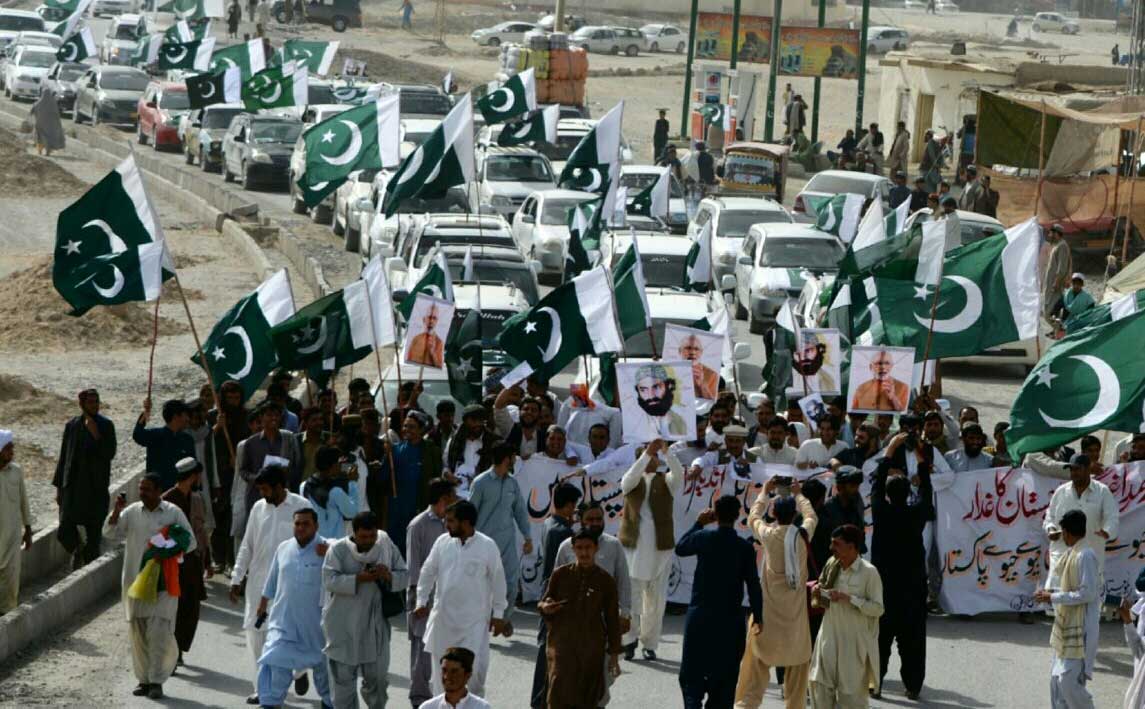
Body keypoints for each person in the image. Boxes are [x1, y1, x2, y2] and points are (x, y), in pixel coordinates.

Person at [104, 474, 195, 700]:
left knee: (159, 631)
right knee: (139, 632)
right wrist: (116, 510)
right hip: (136, 583)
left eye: (147, 489)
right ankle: (144, 680)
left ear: (158, 491)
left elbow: (190, 541)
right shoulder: (132, 511)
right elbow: (109, 534)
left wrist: (168, 548)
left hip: (163, 584)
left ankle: (156, 681)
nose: (142, 493)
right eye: (140, 489)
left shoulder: (173, 512)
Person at [230, 465, 312, 704]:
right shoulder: (258, 508)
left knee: (285, 637)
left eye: (266, 489)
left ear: (279, 487)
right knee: (256, 636)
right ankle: (262, 689)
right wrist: (237, 577)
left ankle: (298, 671)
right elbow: (247, 545)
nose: (262, 494)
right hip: (258, 584)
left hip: (290, 586)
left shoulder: (301, 506)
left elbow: (312, 542)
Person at [673, 496, 762, 708]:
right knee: (725, 679)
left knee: (692, 676)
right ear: (738, 514)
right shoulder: (744, 548)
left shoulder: (703, 537)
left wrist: (699, 523)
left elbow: (681, 548)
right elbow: (753, 584)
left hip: (700, 618)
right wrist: (759, 616)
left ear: (715, 513)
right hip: (730, 622)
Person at [414, 500, 509, 697]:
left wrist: (498, 614)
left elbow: (498, 582)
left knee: (473, 678)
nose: (446, 525)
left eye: (450, 521)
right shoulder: (442, 542)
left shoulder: (487, 546)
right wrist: (421, 601)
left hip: (473, 625)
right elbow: (427, 572)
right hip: (443, 623)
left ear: (466, 523)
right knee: (442, 680)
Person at [736, 485, 817, 709]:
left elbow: (753, 516)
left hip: (767, 619)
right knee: (798, 683)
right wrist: (800, 493)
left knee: (754, 676)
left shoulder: (768, 535)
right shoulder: (802, 535)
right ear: (794, 515)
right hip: (795, 622)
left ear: (774, 514)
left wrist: (764, 492)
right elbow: (811, 515)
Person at [322, 510, 408, 709]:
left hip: (374, 625)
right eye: (363, 536)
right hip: (342, 625)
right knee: (343, 685)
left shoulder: (385, 546)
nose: (368, 541)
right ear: (354, 533)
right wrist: (359, 579)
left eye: (372, 536)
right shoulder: (338, 550)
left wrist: (388, 576)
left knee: (378, 680)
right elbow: (329, 580)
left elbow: (404, 575)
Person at [871, 443, 934, 701]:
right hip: (912, 587)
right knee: (913, 641)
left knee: (879, 639)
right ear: (909, 493)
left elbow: (876, 484)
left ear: (887, 494)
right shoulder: (916, 514)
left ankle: (875, 682)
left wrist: (891, 449)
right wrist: (920, 459)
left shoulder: (880, 512)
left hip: (883, 586)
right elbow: (927, 492)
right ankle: (913, 686)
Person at [256, 508, 333, 708]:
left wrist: (330, 553)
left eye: (305, 524)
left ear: (316, 526)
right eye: (297, 523)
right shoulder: (283, 548)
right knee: (275, 662)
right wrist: (263, 603)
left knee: (325, 671)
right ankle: (270, 703)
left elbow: (350, 551)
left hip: (315, 625)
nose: (300, 528)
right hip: (284, 622)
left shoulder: (328, 548)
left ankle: (329, 703)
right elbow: (272, 580)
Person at [540, 528, 623, 708]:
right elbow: (544, 601)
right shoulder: (560, 575)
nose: (584, 552)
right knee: (558, 689)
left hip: (591, 649)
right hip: (561, 645)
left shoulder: (606, 580)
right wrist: (546, 607)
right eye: (579, 548)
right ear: (573, 549)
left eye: (588, 548)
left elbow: (612, 619)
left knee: (587, 696)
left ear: (596, 548)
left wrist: (614, 655)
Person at [619, 439, 683, 661]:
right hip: (633, 549)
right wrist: (646, 453)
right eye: (648, 456)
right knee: (632, 598)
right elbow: (628, 480)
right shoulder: (631, 480)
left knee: (655, 601)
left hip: (660, 550)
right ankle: (628, 640)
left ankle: (650, 643)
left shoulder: (666, 481)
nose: (652, 459)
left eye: (655, 457)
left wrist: (667, 452)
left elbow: (679, 475)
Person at [808, 524, 884, 708]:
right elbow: (820, 603)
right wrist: (818, 592)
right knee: (820, 690)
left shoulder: (869, 572)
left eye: (836, 544)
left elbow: (878, 609)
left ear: (852, 547)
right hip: (828, 638)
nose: (831, 548)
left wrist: (850, 599)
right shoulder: (831, 565)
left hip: (853, 644)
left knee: (851, 698)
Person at [1033, 509, 1100, 709]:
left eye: (1063, 532)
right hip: (1065, 629)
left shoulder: (1085, 555)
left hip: (1080, 631)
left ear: (1068, 532)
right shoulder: (1073, 552)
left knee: (1068, 683)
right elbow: (1069, 588)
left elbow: (1086, 593)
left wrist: (1053, 596)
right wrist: (1051, 592)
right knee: (1056, 683)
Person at [529, 483, 582, 707]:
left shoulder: (549, 523)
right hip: (556, 595)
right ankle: (541, 699)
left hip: (546, 590)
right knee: (549, 649)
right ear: (569, 505)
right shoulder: (564, 533)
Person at [470, 443, 532, 631]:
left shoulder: (512, 483)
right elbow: (470, 513)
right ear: (506, 459)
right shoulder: (480, 483)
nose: (514, 460)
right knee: (482, 587)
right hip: (483, 545)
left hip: (507, 544)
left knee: (511, 584)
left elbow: (520, 511)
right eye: (513, 457)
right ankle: (483, 623)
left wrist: (528, 536)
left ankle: (503, 619)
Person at [407, 478, 458, 707]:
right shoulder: (418, 525)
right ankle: (418, 697)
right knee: (421, 648)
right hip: (423, 597)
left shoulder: (452, 525)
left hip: (446, 596)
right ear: (442, 499)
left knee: (442, 647)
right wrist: (421, 599)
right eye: (450, 498)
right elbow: (414, 566)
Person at [53, 388, 116, 569]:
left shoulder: (106, 426)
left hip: (95, 490)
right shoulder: (72, 426)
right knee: (64, 531)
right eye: (90, 402)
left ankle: (88, 571)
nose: (95, 405)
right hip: (73, 489)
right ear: (81, 404)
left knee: (94, 537)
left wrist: (96, 434)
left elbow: (109, 453)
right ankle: (77, 549)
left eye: (96, 402)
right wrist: (59, 488)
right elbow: (64, 457)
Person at [1044, 453, 1118, 592]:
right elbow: (1050, 516)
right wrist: (1050, 529)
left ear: (1088, 469)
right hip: (1062, 554)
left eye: (1077, 469)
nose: (1074, 473)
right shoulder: (1061, 492)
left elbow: (1112, 517)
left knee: (1086, 600)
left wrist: (1106, 531)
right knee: (1059, 601)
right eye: (1071, 469)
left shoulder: (1102, 492)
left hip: (1090, 552)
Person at [162, 458, 209, 665]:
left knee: (191, 607)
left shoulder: (197, 499)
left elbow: (201, 530)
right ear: (191, 476)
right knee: (175, 607)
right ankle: (173, 649)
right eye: (197, 475)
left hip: (193, 562)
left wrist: (207, 559)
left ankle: (180, 646)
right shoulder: (167, 501)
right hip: (173, 563)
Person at [377, 411, 442, 556]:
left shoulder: (431, 451)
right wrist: (386, 457)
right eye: (405, 426)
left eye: (412, 427)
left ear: (421, 429)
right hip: (397, 510)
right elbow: (382, 478)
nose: (407, 430)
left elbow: (437, 478)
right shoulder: (394, 450)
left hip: (420, 507)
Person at [0, 431, 32, 615]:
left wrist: (28, 529)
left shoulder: (16, 471)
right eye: (7, 448)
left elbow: (24, 501)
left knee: (11, 580)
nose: (12, 451)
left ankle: (8, 617)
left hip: (12, 536)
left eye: (12, 447)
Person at [133, 399, 195, 491]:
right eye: (185, 415)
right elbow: (137, 435)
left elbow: (192, 468)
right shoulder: (155, 436)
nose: (188, 419)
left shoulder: (187, 440)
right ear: (176, 416)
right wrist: (145, 412)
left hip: (180, 492)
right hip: (157, 494)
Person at [300, 445, 358, 540]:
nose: (341, 465)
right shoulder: (335, 492)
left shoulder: (303, 486)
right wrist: (352, 483)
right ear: (333, 465)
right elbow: (352, 513)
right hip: (332, 545)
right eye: (339, 462)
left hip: (312, 541)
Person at [628, 363, 691, 440]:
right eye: (643, 389)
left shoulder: (680, 420)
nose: (651, 395)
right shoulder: (632, 423)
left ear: (668, 386)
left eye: (656, 387)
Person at [420, 647, 490, 709]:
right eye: (444, 670)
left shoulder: (482, 707)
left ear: (467, 675)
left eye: (454, 672)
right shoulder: (427, 707)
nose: (446, 676)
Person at [1043, 224, 1073, 327]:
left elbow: (1062, 267)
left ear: (1056, 233)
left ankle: (1060, 331)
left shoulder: (1062, 246)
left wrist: (1056, 283)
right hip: (1051, 284)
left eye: (1051, 233)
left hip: (1055, 286)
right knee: (1051, 312)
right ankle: (1059, 331)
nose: (1049, 235)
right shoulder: (1057, 245)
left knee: (1047, 312)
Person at [408, 303, 446, 368]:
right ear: (424, 319)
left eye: (434, 318)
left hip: (430, 376)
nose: (431, 321)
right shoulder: (416, 339)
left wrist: (433, 352)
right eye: (429, 317)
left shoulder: (439, 342)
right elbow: (408, 361)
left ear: (437, 321)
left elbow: (439, 367)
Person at [30, 88, 65, 156]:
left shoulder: (38, 103)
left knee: (40, 138)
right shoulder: (53, 103)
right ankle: (48, 151)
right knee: (49, 138)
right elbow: (57, 115)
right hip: (51, 127)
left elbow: (32, 110)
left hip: (40, 125)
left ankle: (39, 151)